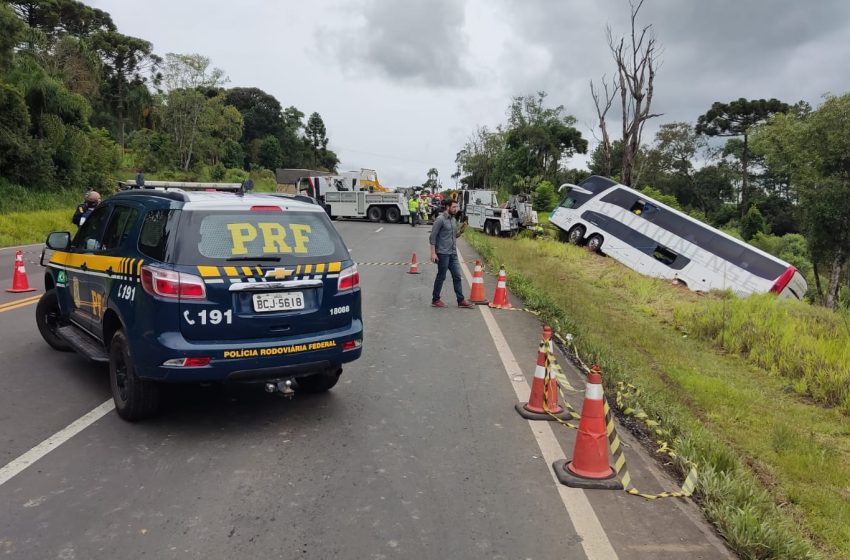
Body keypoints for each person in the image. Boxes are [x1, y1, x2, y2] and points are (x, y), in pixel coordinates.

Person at [429, 200, 474, 308]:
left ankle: (460, 300)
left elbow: (454, 236)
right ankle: (435, 299)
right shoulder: (440, 220)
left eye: (456, 207)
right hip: (443, 253)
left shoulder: (453, 220)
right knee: (441, 276)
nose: (456, 209)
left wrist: (462, 230)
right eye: (454, 207)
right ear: (447, 207)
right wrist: (433, 253)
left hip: (453, 253)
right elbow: (432, 237)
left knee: (457, 276)